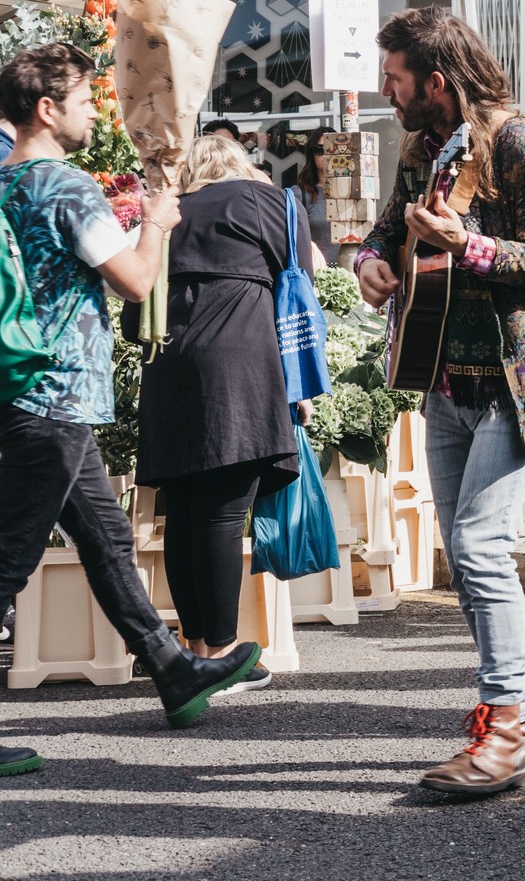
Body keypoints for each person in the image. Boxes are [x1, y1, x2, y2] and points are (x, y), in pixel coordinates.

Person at [0, 44, 261, 781]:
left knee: (108, 543)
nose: (94, 111)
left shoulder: (5, 183)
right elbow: (137, 281)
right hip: (53, 396)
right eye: (85, 99)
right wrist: (157, 221)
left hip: (28, 391)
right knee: (8, 559)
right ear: (47, 108)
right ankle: (174, 668)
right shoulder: (65, 186)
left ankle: (174, 671)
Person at [355, 7, 525, 797]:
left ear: (437, 82)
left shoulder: (517, 143)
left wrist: (471, 247)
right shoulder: (423, 148)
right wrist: (371, 263)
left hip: (519, 388)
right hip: (446, 382)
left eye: (395, 79)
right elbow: (387, 233)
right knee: (467, 557)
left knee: (482, 550)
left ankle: (508, 721)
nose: (387, 92)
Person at [135, 136, 318, 690]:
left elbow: (133, 307)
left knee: (186, 514)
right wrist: (300, 384)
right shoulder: (268, 201)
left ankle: (195, 648)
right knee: (219, 514)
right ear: (242, 165)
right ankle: (222, 649)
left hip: (168, 366)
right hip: (238, 364)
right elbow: (301, 277)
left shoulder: (168, 213)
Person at [297, 144, 340, 267]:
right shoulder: (300, 194)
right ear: (312, 154)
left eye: (332, 149)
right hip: (317, 274)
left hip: (352, 272)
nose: (326, 154)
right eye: (320, 150)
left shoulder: (355, 191)